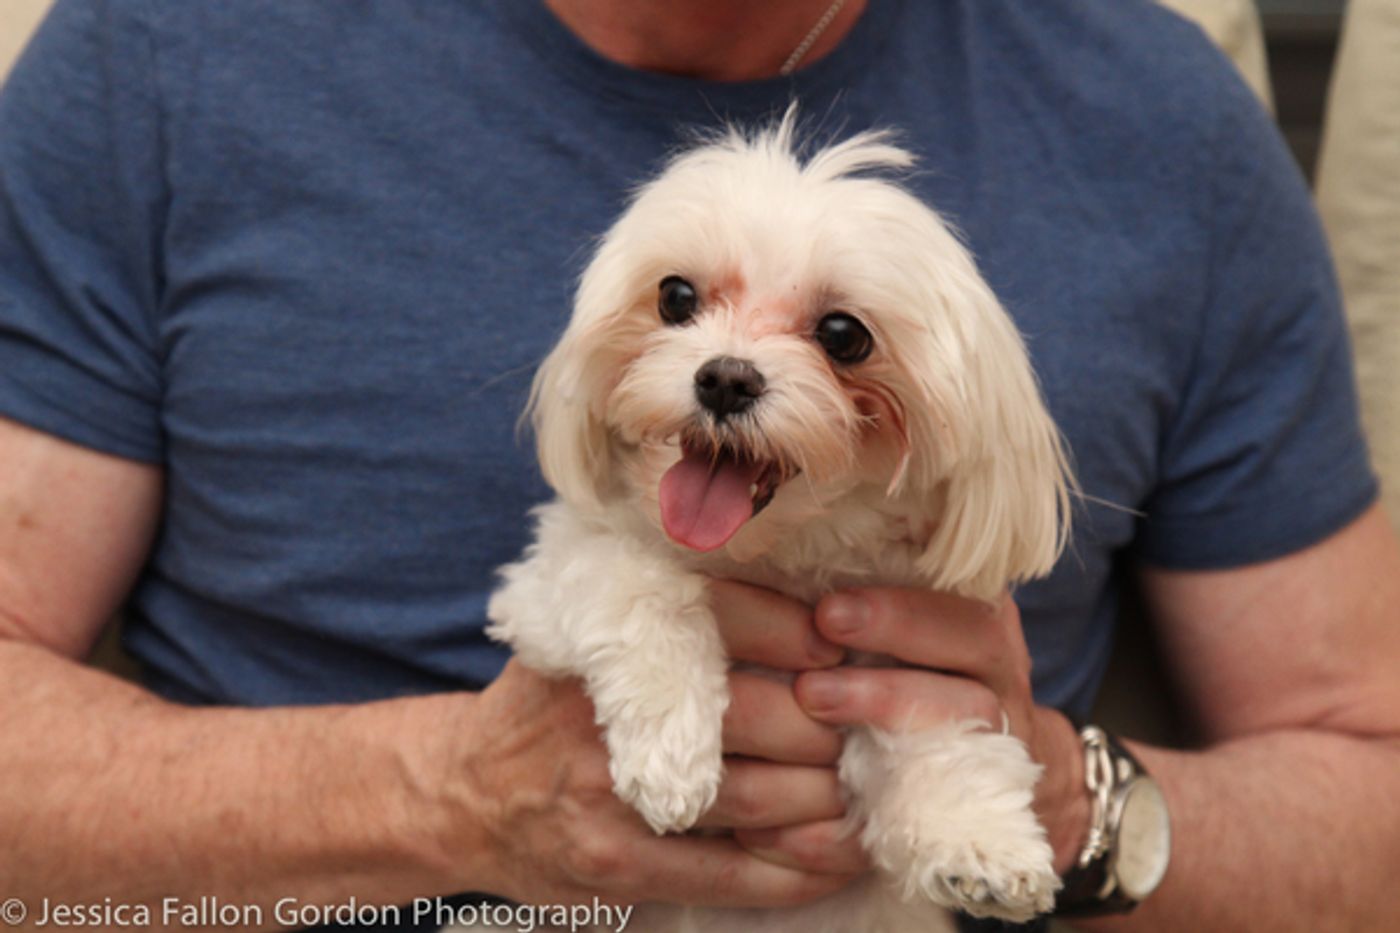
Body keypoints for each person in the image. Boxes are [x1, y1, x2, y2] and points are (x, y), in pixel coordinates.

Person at [0, 1, 1397, 931]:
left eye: (837, 337)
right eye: (683, 309)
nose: (731, 361)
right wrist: (447, 798)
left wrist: (1062, 795)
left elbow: (1372, 795)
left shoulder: (1164, 123)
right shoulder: (162, 54)